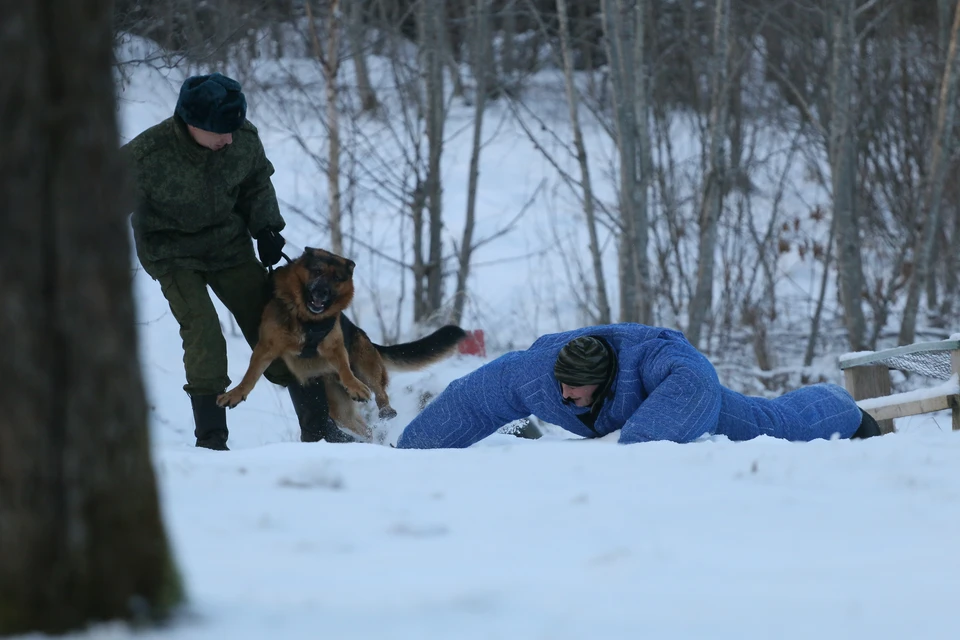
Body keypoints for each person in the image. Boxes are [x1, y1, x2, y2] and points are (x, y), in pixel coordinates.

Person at [123, 72, 351, 450]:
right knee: (204, 335)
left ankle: (319, 429)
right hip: (172, 253)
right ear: (192, 124)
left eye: (234, 128)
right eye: (220, 132)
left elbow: (257, 183)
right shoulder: (146, 156)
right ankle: (212, 440)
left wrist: (265, 228)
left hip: (229, 247)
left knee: (283, 325)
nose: (229, 138)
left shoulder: (242, 139)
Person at [395, 323, 881, 449]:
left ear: (602, 380)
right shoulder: (535, 374)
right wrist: (411, 453)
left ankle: (847, 409)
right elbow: (470, 402)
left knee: (775, 423)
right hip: (636, 411)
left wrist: (636, 446)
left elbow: (695, 382)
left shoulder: (655, 357)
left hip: (691, 403)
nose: (564, 397)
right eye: (561, 387)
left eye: (576, 390)